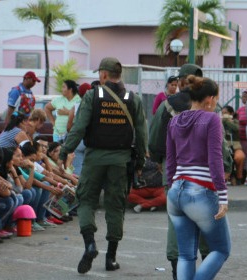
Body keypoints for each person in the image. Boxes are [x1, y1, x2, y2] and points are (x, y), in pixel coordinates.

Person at [58, 57, 147, 274]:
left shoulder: (92, 95)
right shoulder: (131, 98)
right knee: (115, 207)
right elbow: (142, 133)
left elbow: (79, 128)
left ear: (104, 75)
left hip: (94, 159)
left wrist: (65, 150)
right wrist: (141, 161)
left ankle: (90, 244)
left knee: (86, 200)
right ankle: (111, 258)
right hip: (121, 161)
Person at [166, 75, 231, 280]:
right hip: (200, 190)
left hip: (176, 191)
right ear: (210, 99)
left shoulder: (175, 120)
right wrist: (223, 195)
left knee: (186, 255)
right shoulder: (211, 118)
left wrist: (172, 188)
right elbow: (215, 158)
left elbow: (171, 161)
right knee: (221, 249)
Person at [221, 105, 246, 185]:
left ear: (231, 113)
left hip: (235, 146)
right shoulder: (220, 122)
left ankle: (239, 176)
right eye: (222, 113)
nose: (224, 115)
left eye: (226, 113)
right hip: (224, 146)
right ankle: (226, 176)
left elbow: (236, 128)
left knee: (240, 157)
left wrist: (228, 121)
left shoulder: (235, 122)